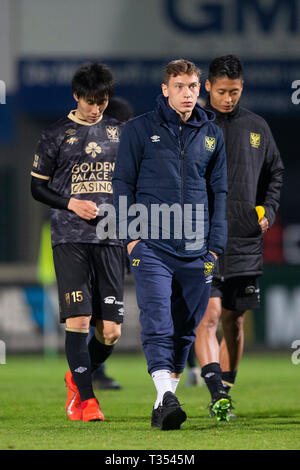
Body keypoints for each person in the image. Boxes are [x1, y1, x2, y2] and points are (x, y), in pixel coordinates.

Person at [112, 59, 228, 430]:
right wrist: (130, 239)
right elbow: (122, 186)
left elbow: (219, 192)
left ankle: (164, 401)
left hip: (198, 251)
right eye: (180, 86)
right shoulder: (139, 129)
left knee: (185, 328)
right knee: (158, 319)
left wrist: (215, 248)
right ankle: (166, 394)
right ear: (165, 89)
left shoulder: (211, 134)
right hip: (152, 246)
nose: (188, 93)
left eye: (193, 86)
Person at [31, 62, 125, 422]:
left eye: (101, 100)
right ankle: (87, 402)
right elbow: (36, 187)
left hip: (110, 237)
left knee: (112, 332)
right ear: (76, 97)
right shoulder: (56, 134)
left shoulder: (120, 132)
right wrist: (70, 202)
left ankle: (77, 373)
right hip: (69, 236)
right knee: (80, 318)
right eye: (89, 101)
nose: (96, 107)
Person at [194, 55, 284, 420]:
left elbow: (275, 174)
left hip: (245, 239)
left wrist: (268, 211)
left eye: (234, 92)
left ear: (241, 88)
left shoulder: (257, 127)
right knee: (210, 314)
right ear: (207, 87)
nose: (228, 98)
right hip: (202, 237)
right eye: (221, 91)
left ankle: (225, 390)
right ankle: (215, 391)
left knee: (235, 320)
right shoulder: (194, 126)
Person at [90, 96, 134, 391]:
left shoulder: (129, 156)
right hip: (88, 243)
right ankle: (88, 373)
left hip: (116, 243)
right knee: (90, 316)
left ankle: (91, 370)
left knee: (108, 324)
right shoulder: (92, 155)